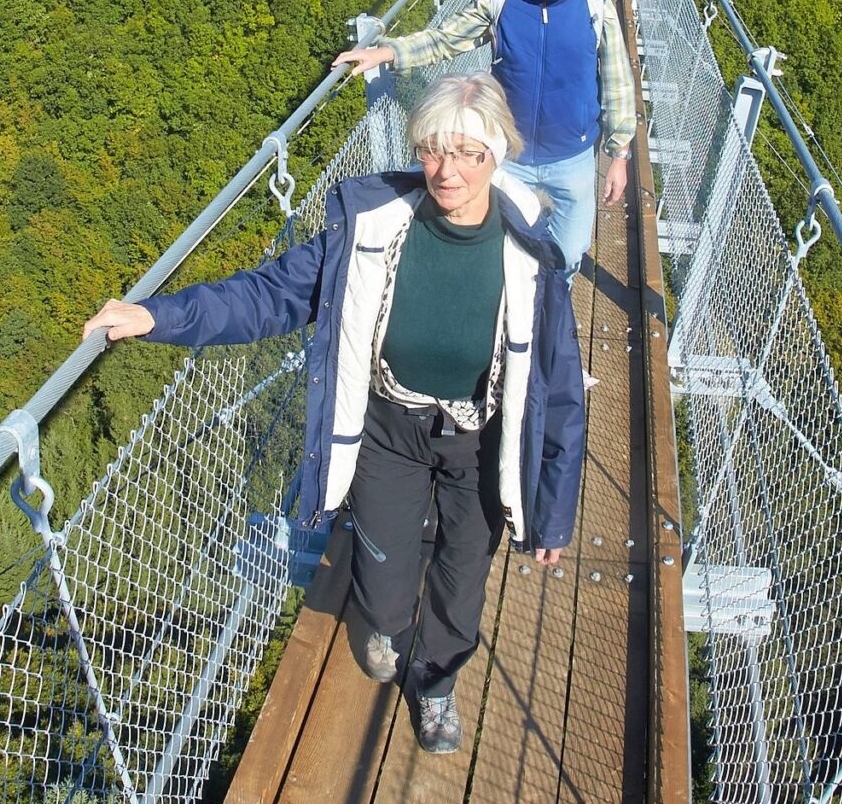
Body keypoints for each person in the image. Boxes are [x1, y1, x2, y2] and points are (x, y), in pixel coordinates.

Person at [82, 77, 583, 755]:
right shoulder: (374, 228)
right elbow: (271, 294)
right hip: (388, 426)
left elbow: (558, 394)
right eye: (434, 150)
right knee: (381, 577)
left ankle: (435, 684)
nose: (448, 170)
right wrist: (159, 315)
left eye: (468, 152)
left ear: (497, 156)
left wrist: (552, 511)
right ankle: (383, 621)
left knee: (464, 578)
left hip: (480, 438)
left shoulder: (531, 258)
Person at [335, 0, 641, 272]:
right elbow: (447, 39)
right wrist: (388, 51)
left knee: (569, 254)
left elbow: (617, 83)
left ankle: (553, 314)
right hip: (506, 153)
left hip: (571, 156)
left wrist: (619, 155)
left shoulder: (596, 6)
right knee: (502, 250)